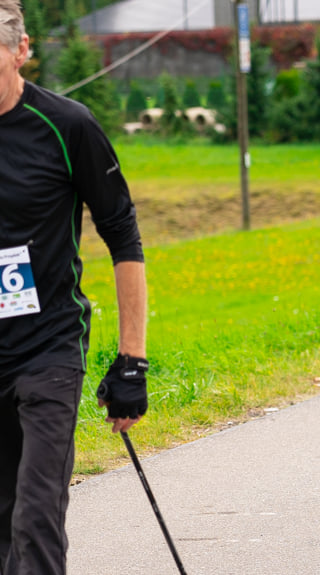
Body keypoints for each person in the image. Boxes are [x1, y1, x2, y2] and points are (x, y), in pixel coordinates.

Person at [0, 1, 149, 573]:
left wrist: (132, 361)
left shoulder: (67, 126)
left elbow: (124, 238)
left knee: (35, 519)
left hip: (48, 348)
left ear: (22, 51)